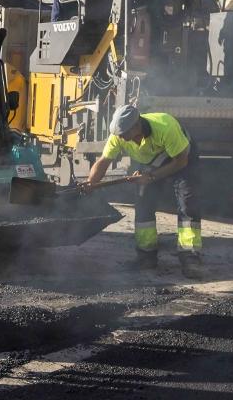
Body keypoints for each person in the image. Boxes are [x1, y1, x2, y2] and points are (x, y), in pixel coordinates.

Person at [81, 104, 202, 278]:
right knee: (143, 202)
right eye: (119, 136)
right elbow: (104, 161)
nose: (121, 138)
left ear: (137, 126)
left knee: (187, 204)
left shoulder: (165, 127)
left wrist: (151, 177)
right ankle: (147, 257)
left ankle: (190, 257)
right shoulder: (119, 136)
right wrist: (90, 183)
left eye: (124, 135)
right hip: (151, 162)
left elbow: (180, 161)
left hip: (182, 159)